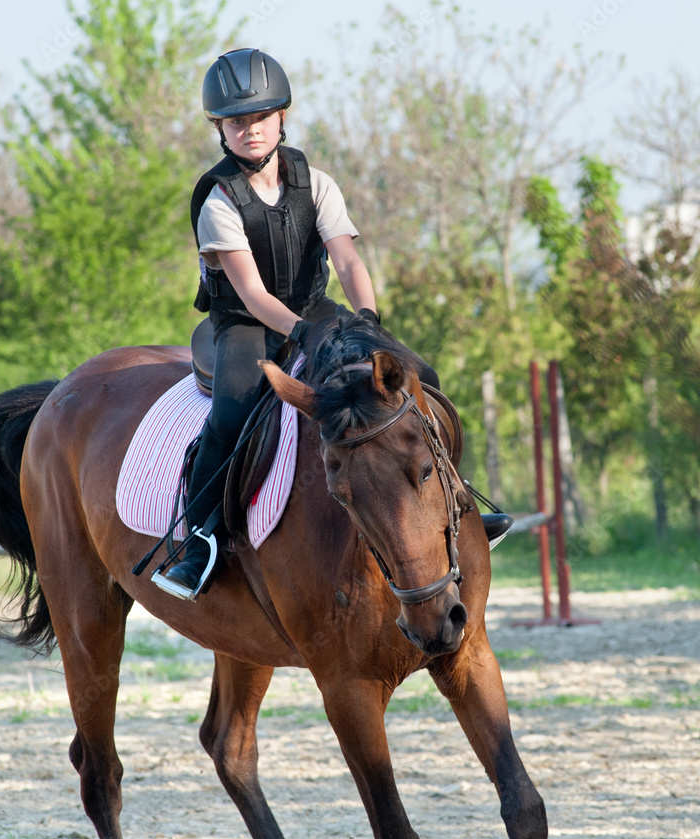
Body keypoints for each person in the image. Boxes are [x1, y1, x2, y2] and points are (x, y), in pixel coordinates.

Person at [156, 48, 509, 601]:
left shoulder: (315, 183)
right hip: (247, 324)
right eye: (235, 122)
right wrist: (300, 333)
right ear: (220, 130)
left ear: (281, 118)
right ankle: (198, 538)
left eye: (260, 118)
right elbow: (250, 292)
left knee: (422, 372)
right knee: (230, 413)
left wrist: (367, 320)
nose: (249, 131)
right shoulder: (218, 201)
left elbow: (347, 262)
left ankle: (455, 499)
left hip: (317, 308)